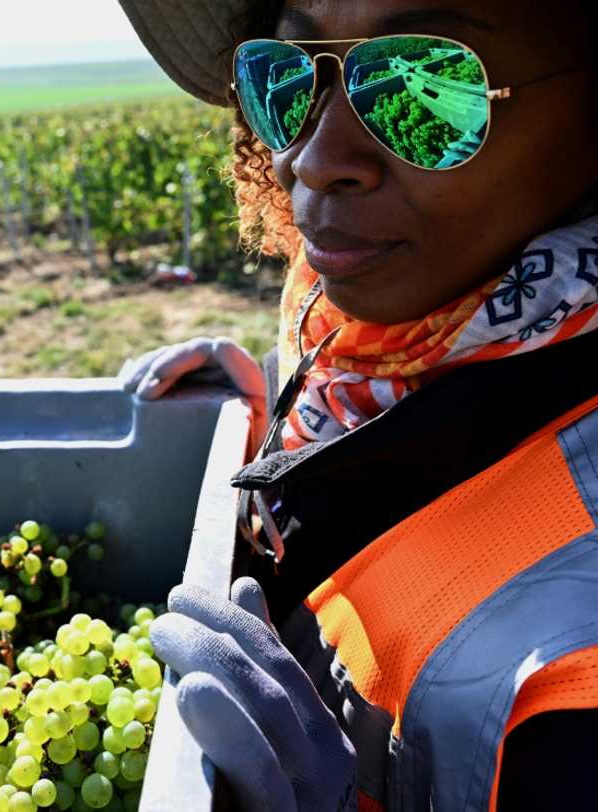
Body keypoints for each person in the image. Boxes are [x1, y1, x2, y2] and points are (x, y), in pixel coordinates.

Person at [115, 1, 598, 809]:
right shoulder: (382, 333)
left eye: (424, 80)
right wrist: (285, 412)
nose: (313, 155)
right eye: (288, 77)